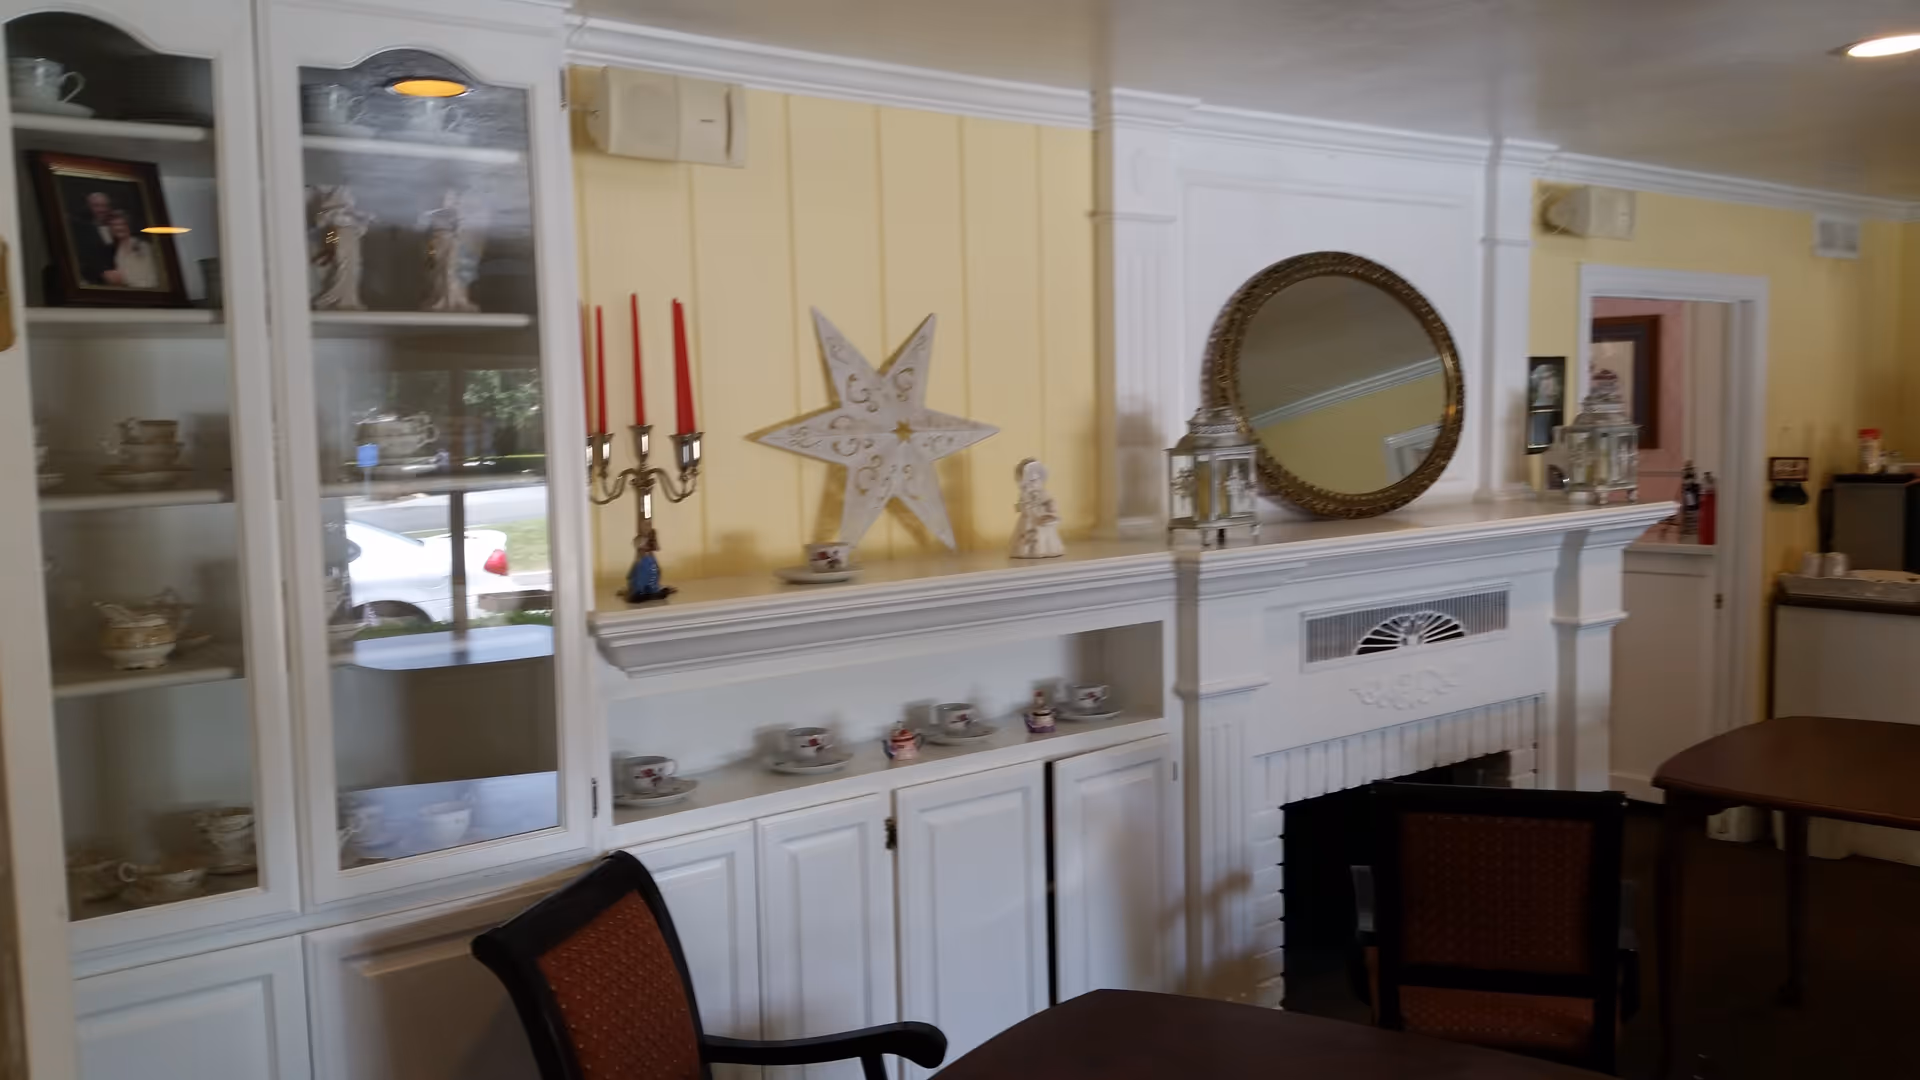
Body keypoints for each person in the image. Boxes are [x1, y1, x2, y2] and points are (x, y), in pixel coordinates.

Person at [70, 190, 119, 284]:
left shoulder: (117, 226)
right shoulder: (80, 229)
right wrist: (102, 272)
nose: (101, 210)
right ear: (88, 206)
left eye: (104, 206)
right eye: (97, 206)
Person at [101, 210, 160, 289]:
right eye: (114, 225)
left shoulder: (143, 246)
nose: (119, 227)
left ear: (128, 226)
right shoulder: (113, 252)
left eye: (122, 224)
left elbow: (151, 277)